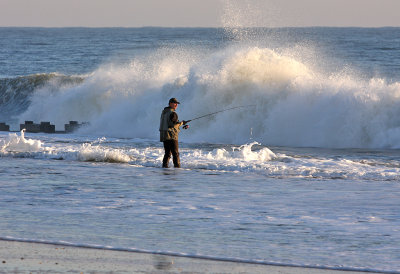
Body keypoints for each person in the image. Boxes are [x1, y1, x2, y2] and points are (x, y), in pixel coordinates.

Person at [159, 98, 189, 168]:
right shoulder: (172, 113)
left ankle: (164, 168)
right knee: (175, 154)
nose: (176, 105)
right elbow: (173, 124)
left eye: (177, 104)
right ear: (170, 104)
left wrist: (180, 123)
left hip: (164, 135)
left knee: (167, 153)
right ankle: (177, 168)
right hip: (171, 135)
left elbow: (168, 123)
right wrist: (182, 123)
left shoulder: (164, 112)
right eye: (174, 103)